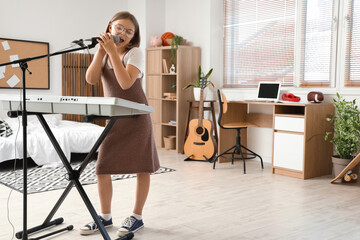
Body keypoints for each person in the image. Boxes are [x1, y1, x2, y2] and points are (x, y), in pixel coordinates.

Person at [80, 11, 160, 237]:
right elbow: (91, 79)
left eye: (129, 31)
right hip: (113, 120)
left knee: (142, 167)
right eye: (119, 28)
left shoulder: (135, 53)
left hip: (137, 118)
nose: (123, 33)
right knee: (102, 167)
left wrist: (113, 52)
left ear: (134, 36)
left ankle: (137, 216)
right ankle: (104, 217)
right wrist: (100, 52)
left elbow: (125, 83)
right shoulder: (105, 53)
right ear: (109, 28)